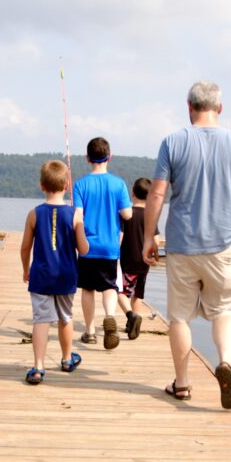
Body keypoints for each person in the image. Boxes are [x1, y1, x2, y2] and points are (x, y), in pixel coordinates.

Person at [143, 81, 231, 409]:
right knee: (224, 309)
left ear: (189, 106)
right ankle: (225, 363)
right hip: (224, 245)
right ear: (220, 109)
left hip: (182, 243)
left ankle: (181, 384)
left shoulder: (173, 142)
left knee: (180, 317)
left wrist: (147, 236)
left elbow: (156, 194)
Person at [20, 159, 90, 385]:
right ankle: (67, 359)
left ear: (41, 185)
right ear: (67, 186)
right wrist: (80, 226)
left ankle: (38, 367)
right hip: (66, 275)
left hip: (41, 276)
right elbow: (83, 248)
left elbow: (25, 247)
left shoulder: (33, 214)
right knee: (65, 317)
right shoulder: (75, 214)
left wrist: (25, 269)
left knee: (41, 320)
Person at [73, 137, 132, 350]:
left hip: (88, 246)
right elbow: (127, 214)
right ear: (110, 157)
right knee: (109, 287)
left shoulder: (80, 185)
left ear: (88, 158)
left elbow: (77, 216)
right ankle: (109, 317)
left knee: (87, 289)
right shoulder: (119, 184)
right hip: (110, 247)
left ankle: (89, 332)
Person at [117, 177, 159, 340]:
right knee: (138, 294)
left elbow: (120, 237)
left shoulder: (126, 214)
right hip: (144, 262)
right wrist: (154, 255)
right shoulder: (150, 216)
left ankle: (131, 318)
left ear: (132, 193)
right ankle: (133, 323)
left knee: (119, 291)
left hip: (127, 261)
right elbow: (156, 240)